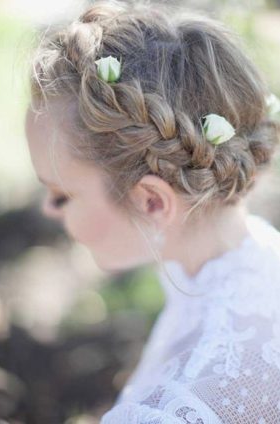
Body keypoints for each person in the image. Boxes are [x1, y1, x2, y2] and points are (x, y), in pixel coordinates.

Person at [24, 0, 280, 422]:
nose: (49, 209)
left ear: (154, 202)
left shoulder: (172, 412)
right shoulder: (252, 257)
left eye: (62, 194)